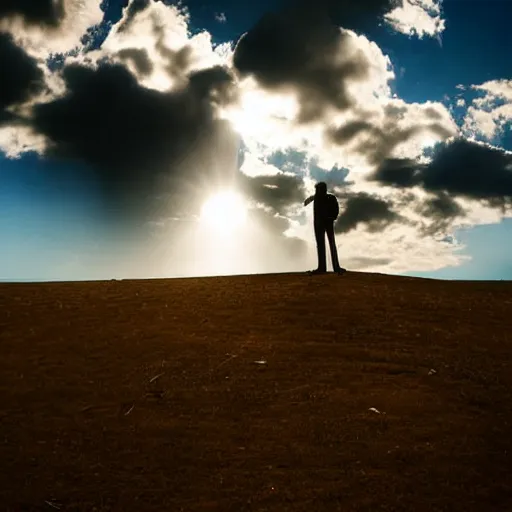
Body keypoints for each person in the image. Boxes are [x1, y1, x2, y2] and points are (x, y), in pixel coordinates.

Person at [304, 182, 346, 275]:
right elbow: (305, 203)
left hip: (327, 223)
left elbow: (336, 209)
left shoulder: (330, 198)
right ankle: (322, 267)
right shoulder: (316, 198)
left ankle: (336, 267)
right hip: (318, 224)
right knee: (320, 245)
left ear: (323, 189)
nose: (317, 191)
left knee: (331, 244)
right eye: (317, 190)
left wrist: (332, 217)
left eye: (318, 189)